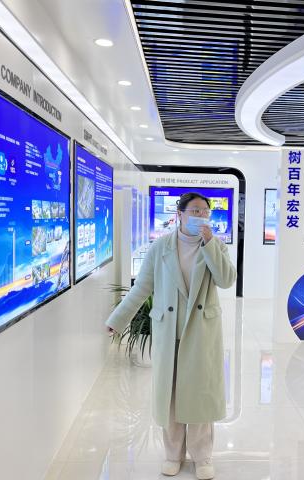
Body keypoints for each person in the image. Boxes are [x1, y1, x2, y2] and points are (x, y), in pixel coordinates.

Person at [106, 192, 236, 480]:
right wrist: (118, 319)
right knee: (171, 395)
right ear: (180, 215)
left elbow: (227, 280)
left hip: (201, 331)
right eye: (195, 211)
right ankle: (173, 454)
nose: (201, 216)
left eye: (205, 212)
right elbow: (142, 287)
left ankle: (202, 456)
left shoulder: (215, 245)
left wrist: (210, 244)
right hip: (169, 330)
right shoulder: (160, 247)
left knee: (200, 394)